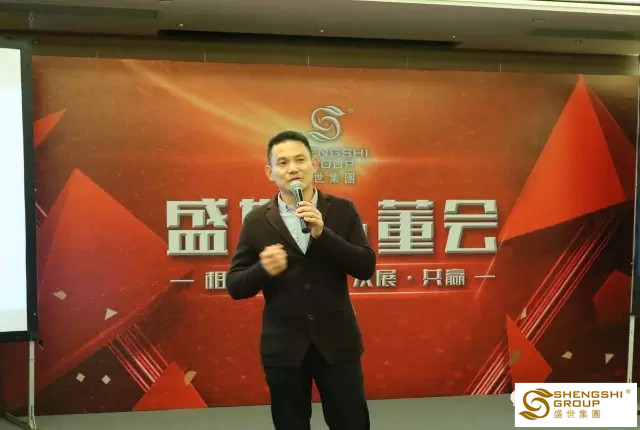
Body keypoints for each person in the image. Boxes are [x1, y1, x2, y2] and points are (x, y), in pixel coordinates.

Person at [226, 130, 376, 430]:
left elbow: (365, 267)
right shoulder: (257, 220)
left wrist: (324, 234)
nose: (293, 168)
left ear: (314, 164)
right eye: (282, 163)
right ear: (270, 172)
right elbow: (236, 285)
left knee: (351, 423)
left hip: (337, 342)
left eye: (300, 160)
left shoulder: (341, 210)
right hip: (284, 348)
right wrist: (263, 268)